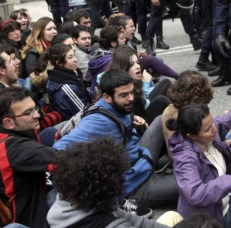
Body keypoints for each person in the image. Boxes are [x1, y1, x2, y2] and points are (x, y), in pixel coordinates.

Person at [54, 70, 179, 215]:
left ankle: (188, 156)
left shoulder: (116, 107)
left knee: (162, 119)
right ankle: (123, 203)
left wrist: (132, 123)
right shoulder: (97, 121)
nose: (131, 98)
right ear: (106, 97)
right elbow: (58, 150)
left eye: (132, 92)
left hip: (140, 160)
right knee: (194, 183)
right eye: (124, 95)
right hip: (133, 186)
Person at [48, 138, 182, 228]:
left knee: (172, 216)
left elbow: (134, 220)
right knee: (175, 217)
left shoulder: (60, 206)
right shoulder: (111, 223)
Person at [0, 87, 57, 227]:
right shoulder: (14, 149)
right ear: (8, 122)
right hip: (31, 219)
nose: (37, 115)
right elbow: (64, 160)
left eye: (34, 108)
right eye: (28, 113)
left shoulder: (14, 132)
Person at [107, 46, 172, 125]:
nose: (138, 67)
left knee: (166, 82)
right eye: (131, 64)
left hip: (143, 107)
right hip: (139, 123)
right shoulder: (121, 86)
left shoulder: (131, 80)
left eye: (137, 63)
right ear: (123, 68)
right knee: (161, 101)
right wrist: (146, 84)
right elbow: (139, 109)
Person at [162, 70, 214, 157]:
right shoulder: (188, 118)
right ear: (198, 96)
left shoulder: (169, 108)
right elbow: (202, 149)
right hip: (193, 161)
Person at [34, 43, 90, 120]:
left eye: (74, 55)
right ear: (59, 63)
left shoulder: (62, 76)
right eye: (70, 57)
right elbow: (85, 113)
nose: (75, 59)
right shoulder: (65, 87)